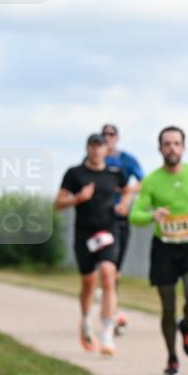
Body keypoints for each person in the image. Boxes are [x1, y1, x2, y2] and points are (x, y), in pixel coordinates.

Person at [129, 126, 188, 375]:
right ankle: (171, 357)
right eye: (167, 144)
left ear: (183, 147)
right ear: (160, 148)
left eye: (177, 143)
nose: (172, 148)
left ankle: (186, 325)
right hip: (164, 249)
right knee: (167, 307)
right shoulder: (152, 180)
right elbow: (135, 215)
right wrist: (152, 215)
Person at [55, 133, 133, 356]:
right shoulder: (75, 173)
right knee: (88, 283)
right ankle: (85, 320)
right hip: (84, 233)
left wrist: (124, 204)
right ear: (87, 148)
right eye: (93, 146)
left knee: (108, 275)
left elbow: (128, 189)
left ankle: (107, 334)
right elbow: (58, 203)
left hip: (108, 230)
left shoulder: (115, 173)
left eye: (100, 146)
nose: (97, 150)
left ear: (107, 150)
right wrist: (77, 198)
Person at [96, 123, 144, 335]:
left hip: (120, 219)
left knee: (115, 270)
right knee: (106, 268)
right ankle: (111, 312)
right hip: (99, 219)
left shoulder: (127, 160)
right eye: (104, 134)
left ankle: (110, 308)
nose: (108, 137)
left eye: (111, 134)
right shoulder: (94, 159)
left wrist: (128, 192)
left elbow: (144, 182)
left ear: (117, 137)